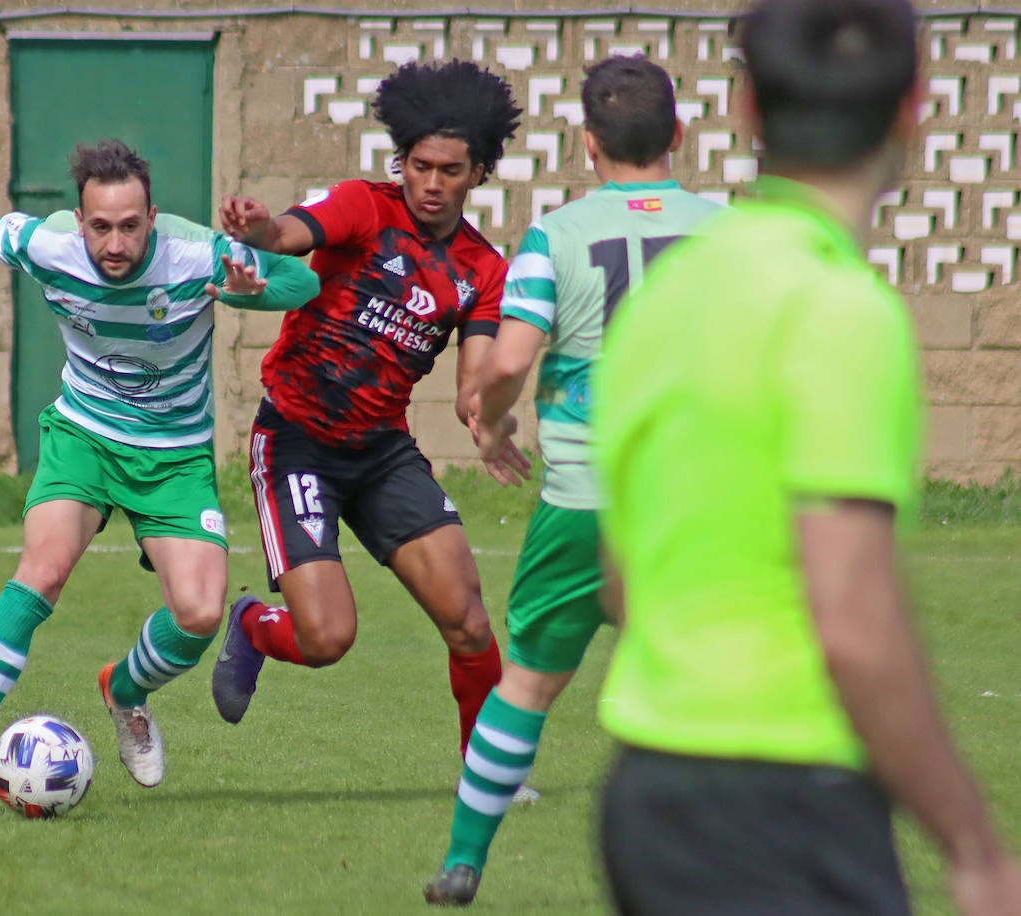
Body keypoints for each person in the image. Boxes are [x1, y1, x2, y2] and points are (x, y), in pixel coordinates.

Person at [591, 1, 1021, 913]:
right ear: (916, 107)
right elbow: (854, 626)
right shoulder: (839, 310)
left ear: (746, 106)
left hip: (648, 796)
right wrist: (976, 848)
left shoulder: (668, 296)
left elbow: (623, 581)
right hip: (783, 802)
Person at [0, 139, 319, 815]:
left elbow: (303, 284)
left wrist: (249, 293)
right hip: (82, 437)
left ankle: (126, 692)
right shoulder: (47, 243)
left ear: (153, 217)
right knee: (42, 573)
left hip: (173, 457)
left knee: (199, 614)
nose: (116, 243)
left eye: (131, 225)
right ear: (79, 221)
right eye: (101, 226)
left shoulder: (196, 253)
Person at [422, 54, 722, 906]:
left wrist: (495, 417)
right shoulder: (731, 235)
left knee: (528, 682)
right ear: (678, 135)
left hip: (586, 500)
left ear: (588, 143)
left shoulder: (555, 236)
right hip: (695, 504)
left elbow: (510, 358)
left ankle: (463, 859)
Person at [210, 61, 529, 769]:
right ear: (403, 162)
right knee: (326, 640)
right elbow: (291, 235)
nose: (433, 183)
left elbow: (472, 379)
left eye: (451, 170)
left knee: (468, 619)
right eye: (420, 166)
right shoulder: (364, 206)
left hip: (382, 452)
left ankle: (489, 776)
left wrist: (487, 420)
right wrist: (260, 229)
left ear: (479, 173)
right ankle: (256, 625)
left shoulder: (482, 270)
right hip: (296, 442)